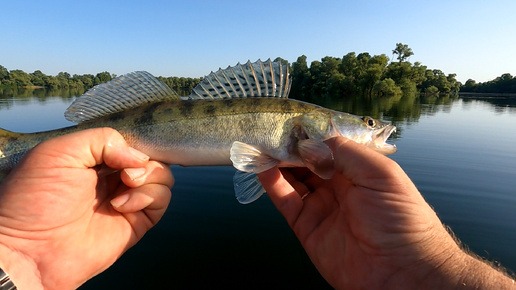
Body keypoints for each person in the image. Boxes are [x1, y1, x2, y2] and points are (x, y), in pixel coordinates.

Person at [0, 128, 512, 289]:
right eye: (366, 124)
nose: (376, 131)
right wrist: (21, 251)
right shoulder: (301, 140)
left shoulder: (296, 152)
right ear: (321, 128)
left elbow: (251, 165)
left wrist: (23, 262)